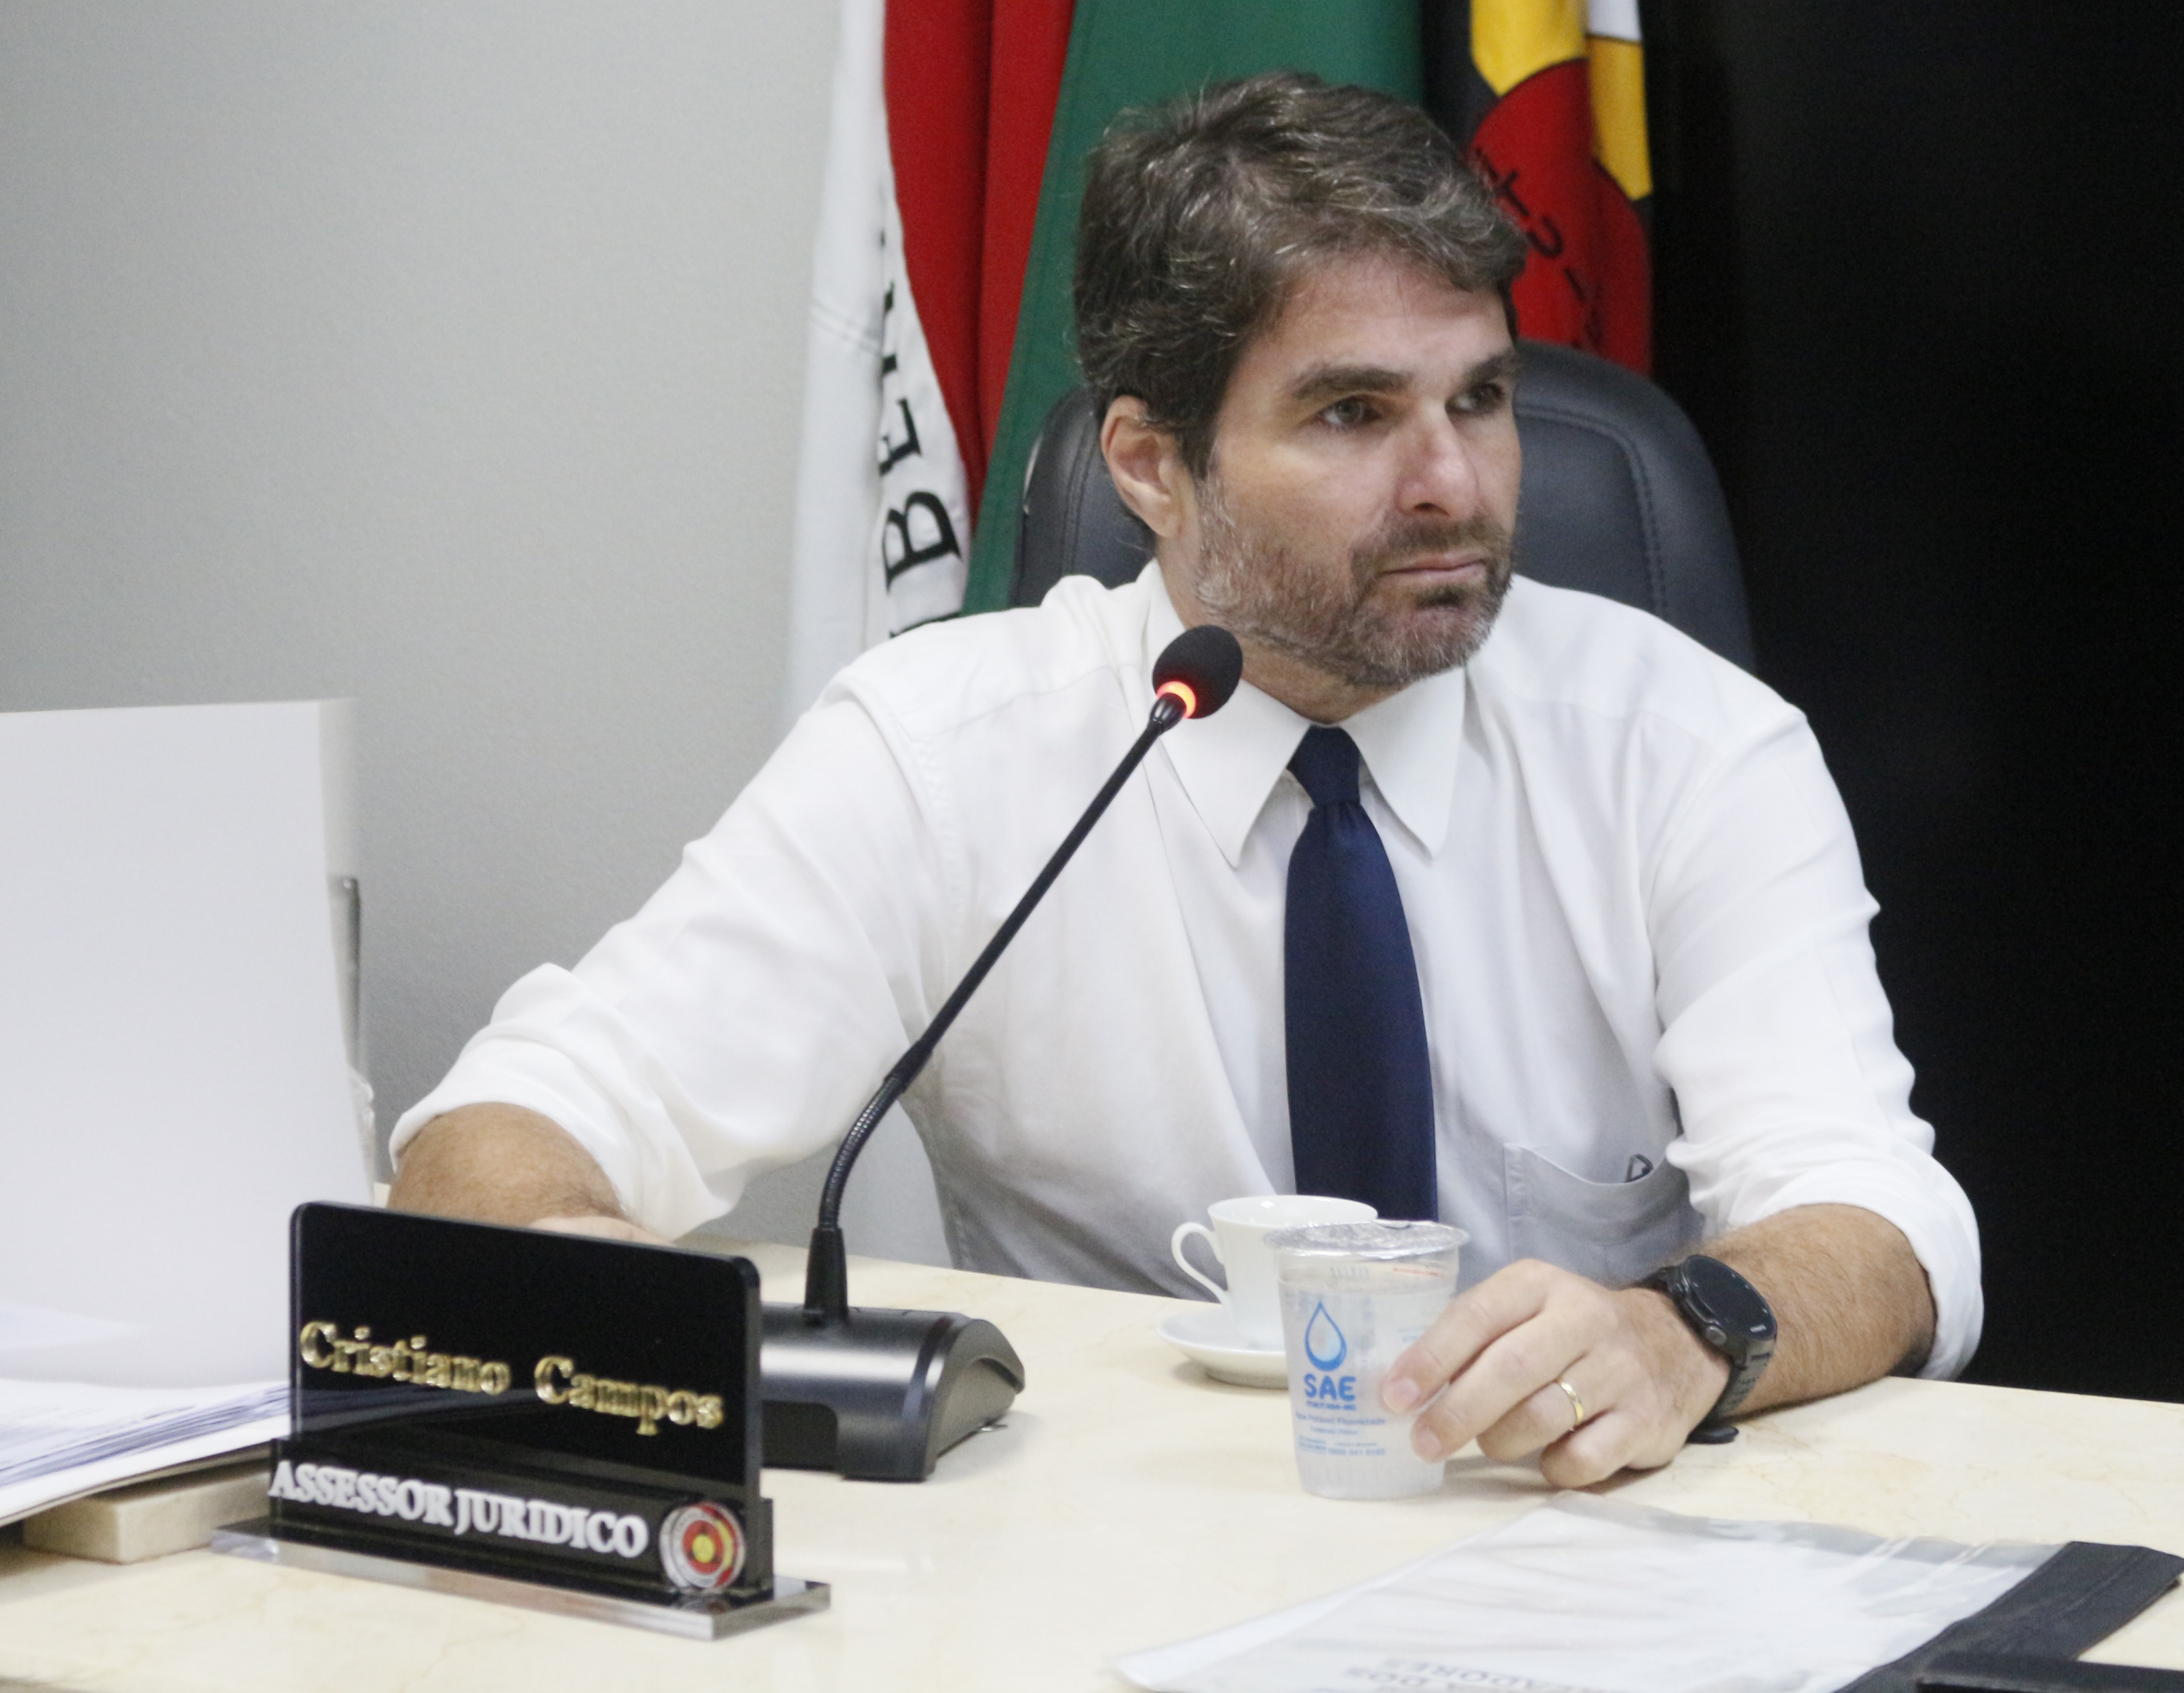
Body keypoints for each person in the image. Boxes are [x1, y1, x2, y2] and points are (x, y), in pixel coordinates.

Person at [391, 72, 1979, 1487]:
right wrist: (593, 1285)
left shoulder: (1686, 744)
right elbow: (514, 1121)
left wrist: (1677, 1331)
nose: (1455, 482)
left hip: (1582, 1546)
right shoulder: (947, 752)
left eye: (1480, 399)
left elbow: (1882, 1226)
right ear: (1150, 465)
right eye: (1353, 412)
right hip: (1104, 1560)